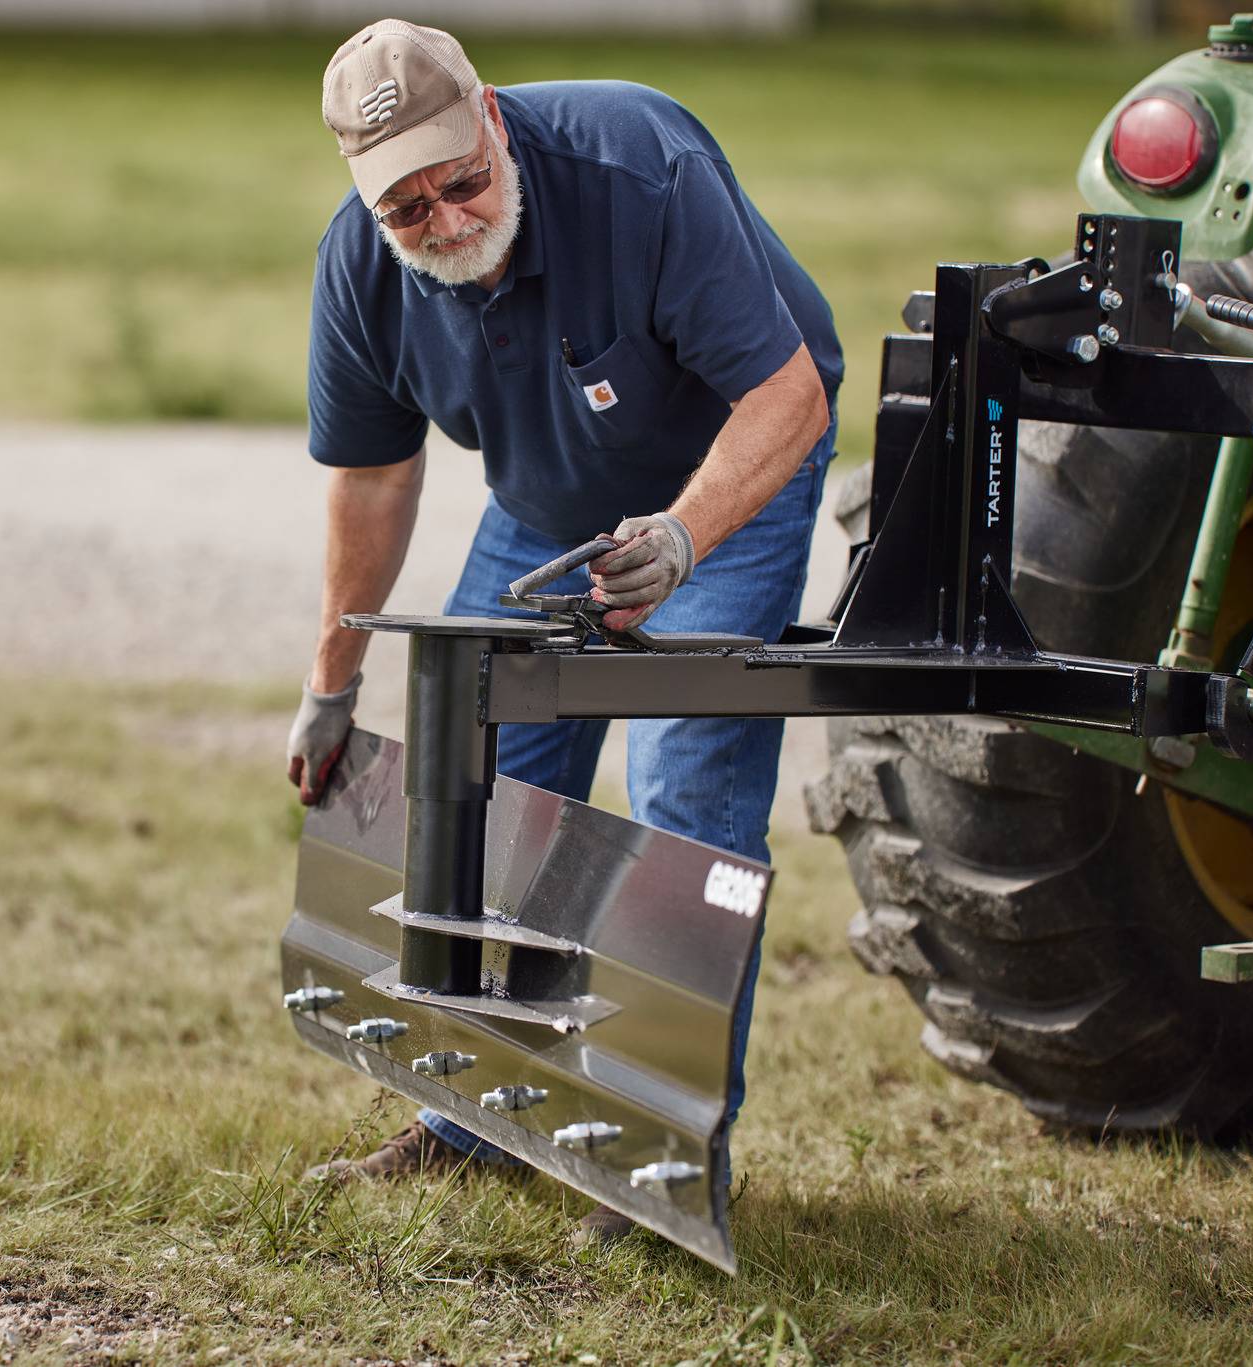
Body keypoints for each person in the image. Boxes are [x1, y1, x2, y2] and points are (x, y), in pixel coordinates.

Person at [286, 18, 842, 1247]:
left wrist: (685, 539)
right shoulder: (361, 268)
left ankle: (658, 1157)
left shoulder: (636, 167)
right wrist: (332, 683)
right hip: (550, 503)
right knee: (474, 782)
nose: (444, 219)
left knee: (682, 790)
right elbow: (371, 480)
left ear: (490, 115)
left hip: (728, 470)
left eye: (462, 181)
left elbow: (787, 390)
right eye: (406, 207)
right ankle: (469, 1122)